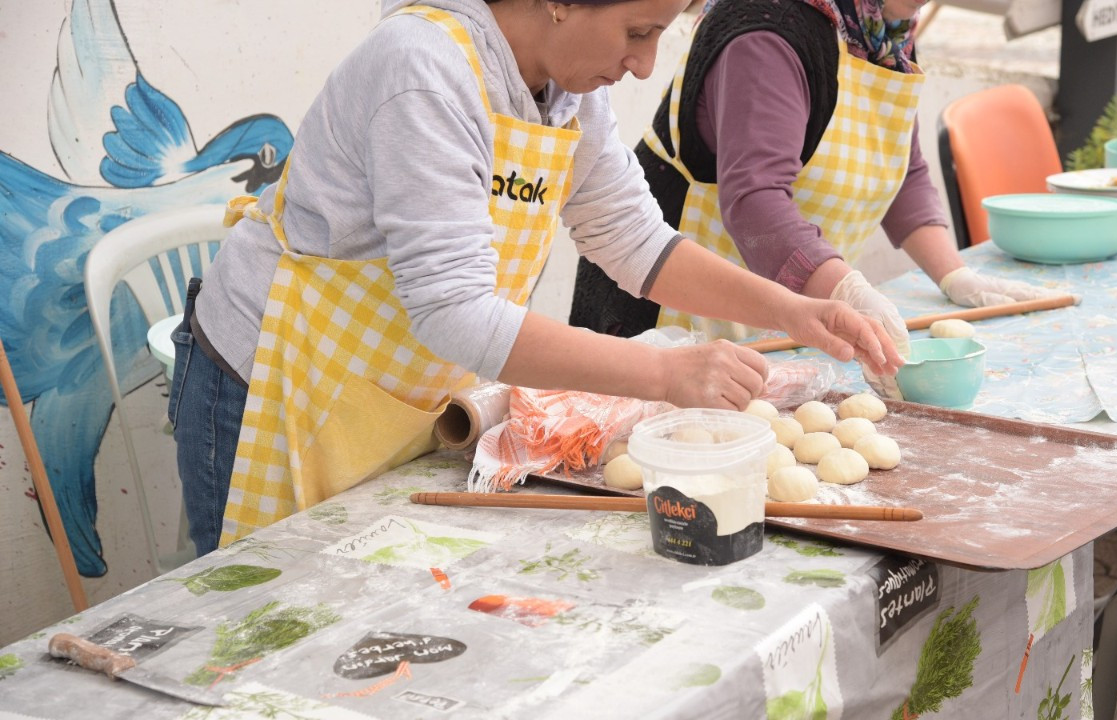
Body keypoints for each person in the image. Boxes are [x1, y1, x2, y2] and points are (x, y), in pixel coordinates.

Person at [168, 0, 904, 556]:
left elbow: (636, 241)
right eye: (638, 32)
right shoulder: (425, 70)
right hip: (273, 384)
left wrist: (795, 310)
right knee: (259, 634)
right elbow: (455, 312)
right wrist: (665, 372)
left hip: (385, 395)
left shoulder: (567, 89)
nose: (646, 65)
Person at [569, 0, 1063, 396]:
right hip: (667, 312)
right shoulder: (769, 29)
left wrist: (955, 275)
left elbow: (899, 167)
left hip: (789, 313)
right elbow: (756, 199)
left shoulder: (882, 30)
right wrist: (844, 290)